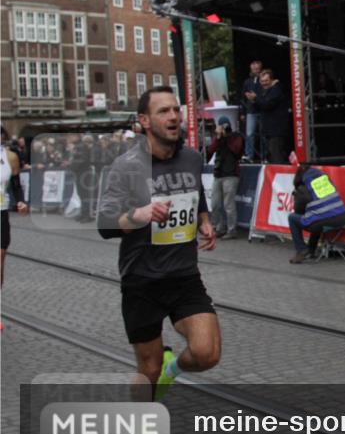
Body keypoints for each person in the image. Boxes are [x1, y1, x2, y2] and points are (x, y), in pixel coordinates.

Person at [98, 86, 220, 401]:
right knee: (148, 369)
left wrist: (204, 220)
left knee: (207, 354)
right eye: (163, 111)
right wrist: (138, 214)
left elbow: (197, 195)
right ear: (144, 120)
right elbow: (105, 223)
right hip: (142, 280)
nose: (173, 116)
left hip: (184, 275)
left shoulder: (191, 158)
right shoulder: (127, 165)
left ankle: (172, 369)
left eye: (176, 109)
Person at [287, 163, 345, 264]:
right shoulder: (325, 179)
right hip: (342, 218)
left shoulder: (303, 187)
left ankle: (301, 250)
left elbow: (298, 210)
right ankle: (311, 250)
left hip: (326, 220)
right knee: (315, 217)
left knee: (293, 218)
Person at [206, 116, 244, 239]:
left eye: (225, 125)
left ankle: (231, 230)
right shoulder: (218, 138)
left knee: (229, 204)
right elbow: (210, 150)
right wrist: (218, 137)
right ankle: (219, 227)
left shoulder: (236, 136)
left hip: (231, 174)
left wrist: (226, 136)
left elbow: (236, 150)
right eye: (221, 126)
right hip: (218, 174)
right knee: (215, 204)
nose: (223, 128)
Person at [1, 127, 29, 286]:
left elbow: (16, 185)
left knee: (0, 257)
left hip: (1, 212)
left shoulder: (10, 157)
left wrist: (21, 201)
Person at [251, 69, 290, 164]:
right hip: (269, 130)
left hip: (276, 130)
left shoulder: (276, 90)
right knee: (272, 155)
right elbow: (261, 106)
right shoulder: (265, 91)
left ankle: (280, 172)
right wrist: (254, 101)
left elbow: (267, 105)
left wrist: (256, 99)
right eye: (262, 81)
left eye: (266, 81)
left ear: (272, 80)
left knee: (276, 155)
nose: (264, 83)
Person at [69, 134, 98, 222]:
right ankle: (83, 213)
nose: (70, 137)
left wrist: (71, 167)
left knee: (84, 194)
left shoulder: (81, 147)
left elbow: (81, 160)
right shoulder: (80, 146)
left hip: (83, 172)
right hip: (81, 172)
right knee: (81, 194)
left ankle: (87, 215)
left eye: (71, 136)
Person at [240, 60, 263, 162]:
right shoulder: (247, 82)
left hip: (262, 110)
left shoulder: (263, 81)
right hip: (251, 111)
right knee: (249, 134)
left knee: (263, 134)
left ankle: (264, 156)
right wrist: (243, 112)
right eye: (254, 69)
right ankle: (249, 155)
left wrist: (256, 97)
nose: (256, 71)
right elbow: (243, 98)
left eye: (257, 69)